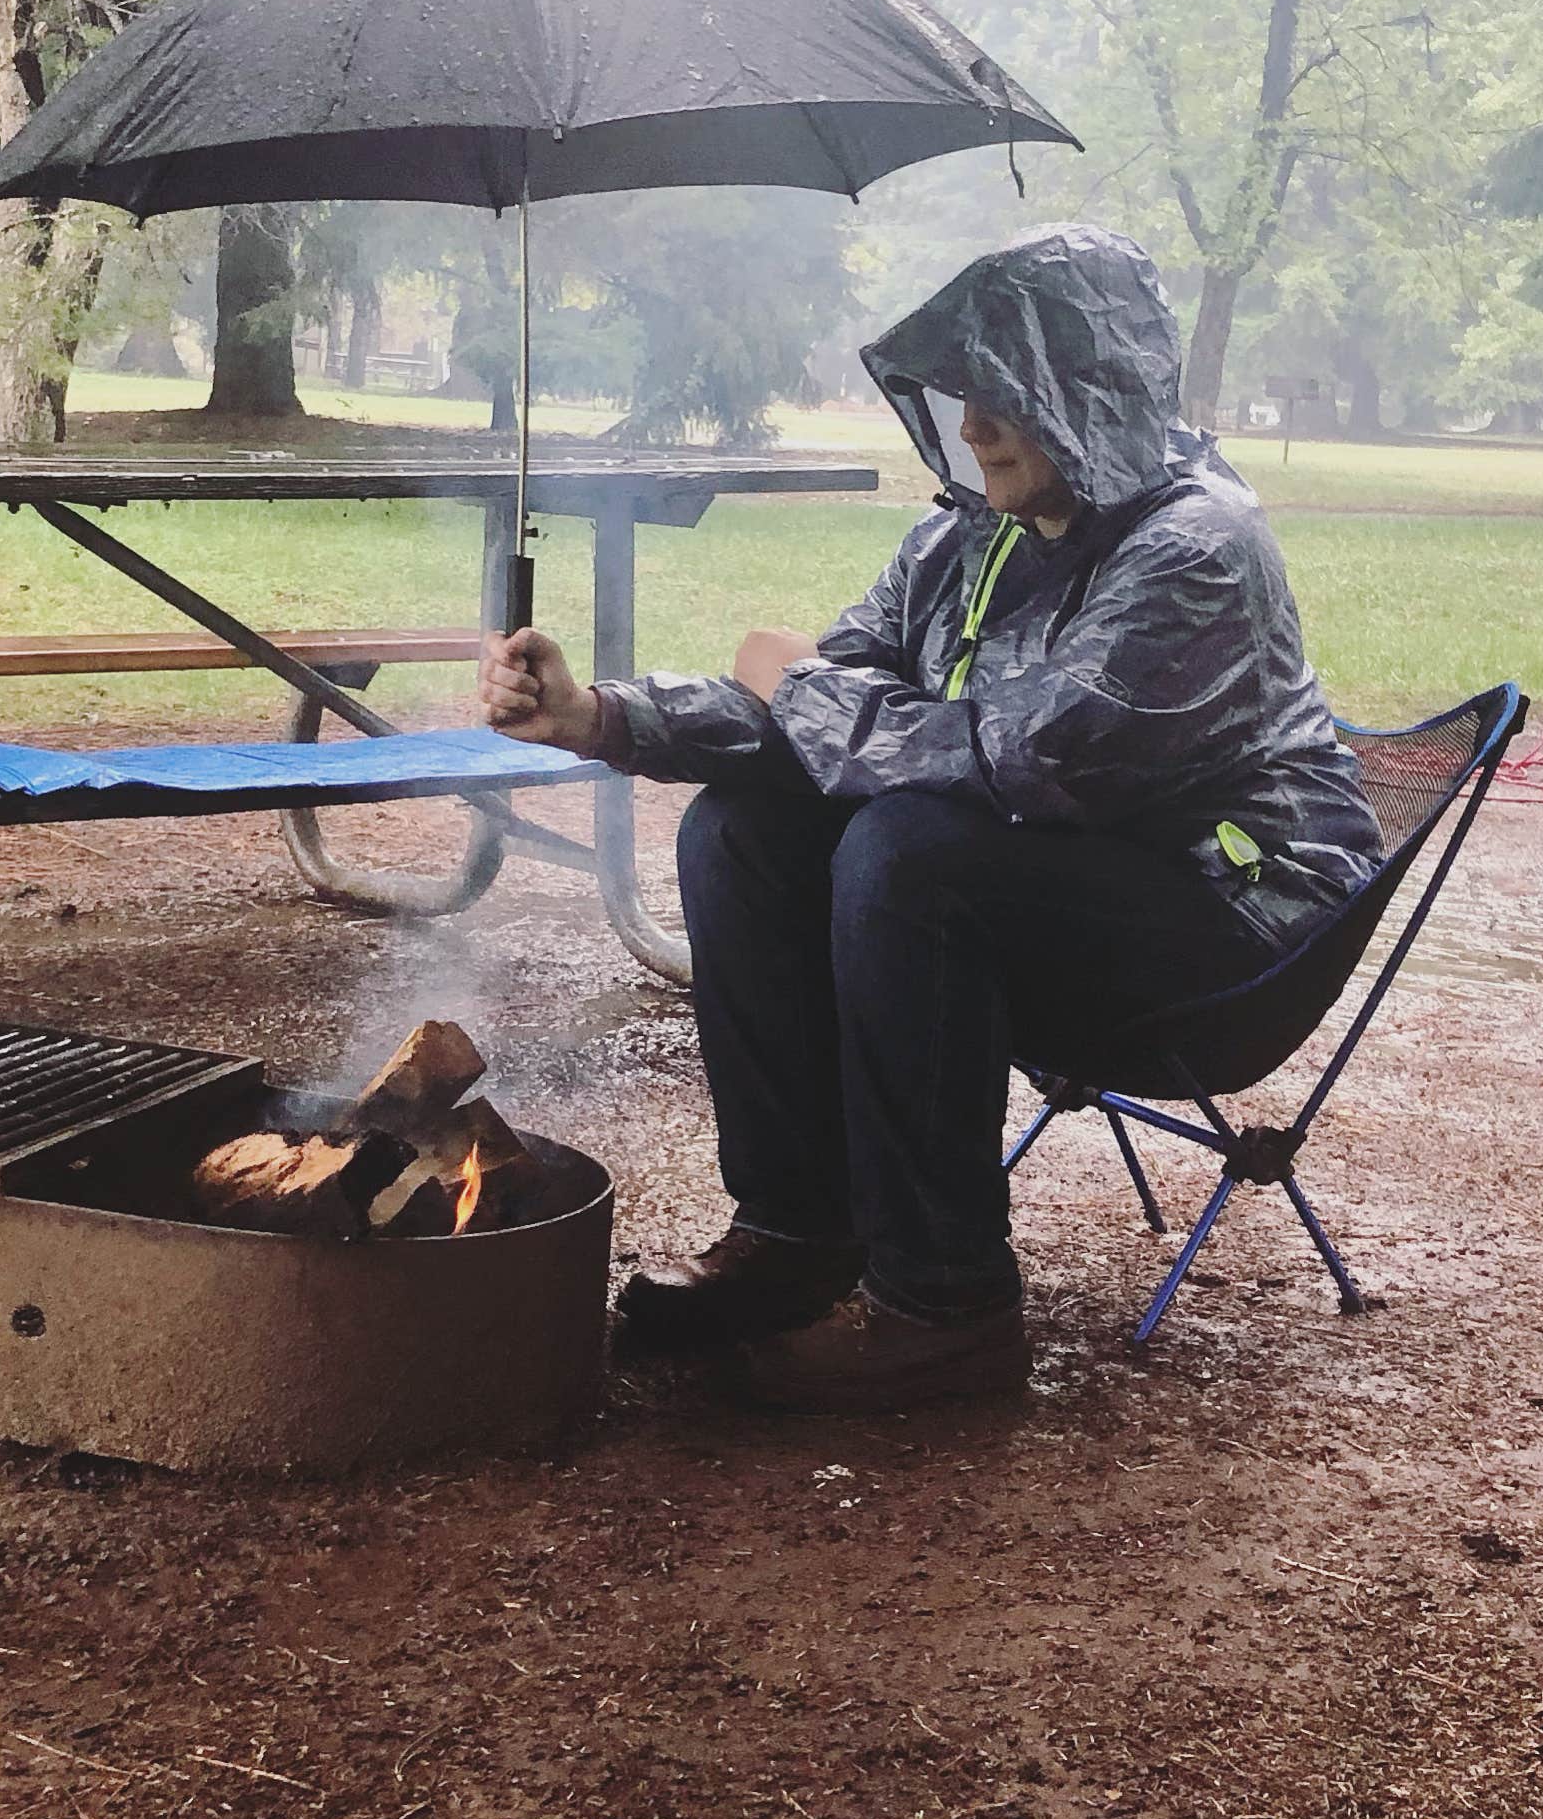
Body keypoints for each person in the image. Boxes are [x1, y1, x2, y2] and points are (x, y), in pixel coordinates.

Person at [478, 226, 1379, 1413]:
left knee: (907, 854)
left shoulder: (1196, 551)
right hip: (1063, 888)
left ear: (1090, 391)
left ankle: (946, 1307)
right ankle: (799, 1230)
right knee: (742, 831)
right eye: (965, 393)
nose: (971, 426)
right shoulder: (969, 538)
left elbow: (1019, 760)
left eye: (1004, 394)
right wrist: (600, 715)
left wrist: (792, 679)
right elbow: (815, 711)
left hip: (1233, 923)